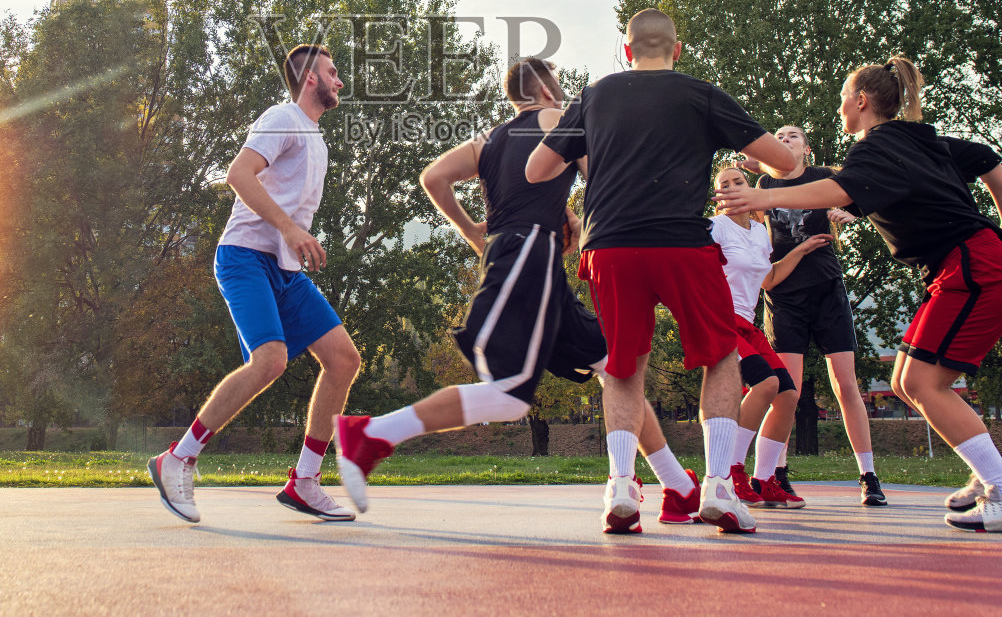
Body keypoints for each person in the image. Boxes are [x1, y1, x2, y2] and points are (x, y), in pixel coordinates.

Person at [335, 57, 709, 533]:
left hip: (530, 255)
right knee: (510, 397)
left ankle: (676, 486)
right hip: (528, 255)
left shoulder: (488, 140)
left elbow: (433, 178)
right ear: (548, 91)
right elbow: (603, 175)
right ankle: (371, 434)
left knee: (614, 364)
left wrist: (474, 230)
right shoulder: (558, 117)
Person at [716, 55, 1002, 533]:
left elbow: (838, 190)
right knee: (908, 381)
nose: (840, 106)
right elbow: (985, 156)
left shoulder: (875, 150)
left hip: (975, 267)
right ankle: (993, 474)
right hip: (973, 265)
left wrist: (762, 197)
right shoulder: (919, 138)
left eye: (844, 97)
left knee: (922, 385)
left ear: (862, 101)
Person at [523, 9, 800, 535]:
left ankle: (621, 487)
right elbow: (782, 163)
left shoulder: (596, 94)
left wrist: (590, 150)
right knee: (720, 357)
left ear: (627, 51)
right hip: (680, 243)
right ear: (676, 50)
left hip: (610, 247)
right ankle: (719, 484)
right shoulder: (701, 94)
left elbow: (537, 169)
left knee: (625, 368)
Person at [150, 44, 363, 524]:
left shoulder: (317, 140)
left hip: (285, 270)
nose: (340, 82)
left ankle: (305, 481)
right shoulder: (282, 117)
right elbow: (238, 175)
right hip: (245, 256)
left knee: (344, 359)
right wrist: (289, 227)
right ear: (310, 78)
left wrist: (295, 237)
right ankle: (177, 460)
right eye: (333, 73)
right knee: (270, 360)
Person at [741, 124, 888, 507]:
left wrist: (852, 212)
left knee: (845, 384)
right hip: (785, 295)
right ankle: (777, 473)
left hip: (826, 288)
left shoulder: (824, 178)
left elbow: (872, 191)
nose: (785, 139)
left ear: (807, 149)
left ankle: (868, 476)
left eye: (792, 136)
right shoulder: (763, 187)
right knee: (788, 389)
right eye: (780, 136)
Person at [708, 163, 827, 510]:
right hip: (721, 321)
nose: (732, 187)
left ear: (749, 188)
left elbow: (769, 278)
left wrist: (801, 251)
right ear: (719, 197)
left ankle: (765, 480)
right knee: (765, 385)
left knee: (789, 394)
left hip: (748, 323)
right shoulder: (715, 228)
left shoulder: (760, 232)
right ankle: (730, 475)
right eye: (724, 184)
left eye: (738, 181)